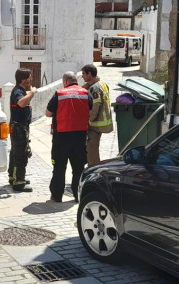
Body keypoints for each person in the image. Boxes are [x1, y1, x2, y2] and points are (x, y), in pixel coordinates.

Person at [45, 71, 92, 202]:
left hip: (62, 137)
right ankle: (78, 195)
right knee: (78, 168)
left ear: (65, 81)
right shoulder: (85, 92)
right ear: (75, 80)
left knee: (59, 167)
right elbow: (90, 107)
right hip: (80, 137)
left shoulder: (59, 93)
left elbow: (48, 113)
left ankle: (57, 195)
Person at [8, 68, 37, 192]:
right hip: (19, 127)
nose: (31, 80)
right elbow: (21, 103)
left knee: (15, 151)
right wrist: (32, 93)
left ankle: (13, 176)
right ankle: (19, 182)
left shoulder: (21, 91)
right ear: (23, 79)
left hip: (20, 126)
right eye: (29, 77)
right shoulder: (18, 92)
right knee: (20, 154)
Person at [81, 64, 114, 166]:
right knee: (93, 149)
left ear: (89, 74)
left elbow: (95, 108)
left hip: (95, 124)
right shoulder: (102, 84)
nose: (82, 76)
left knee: (91, 150)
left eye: (83, 74)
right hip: (102, 122)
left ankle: (94, 170)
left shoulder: (94, 89)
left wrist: (88, 122)